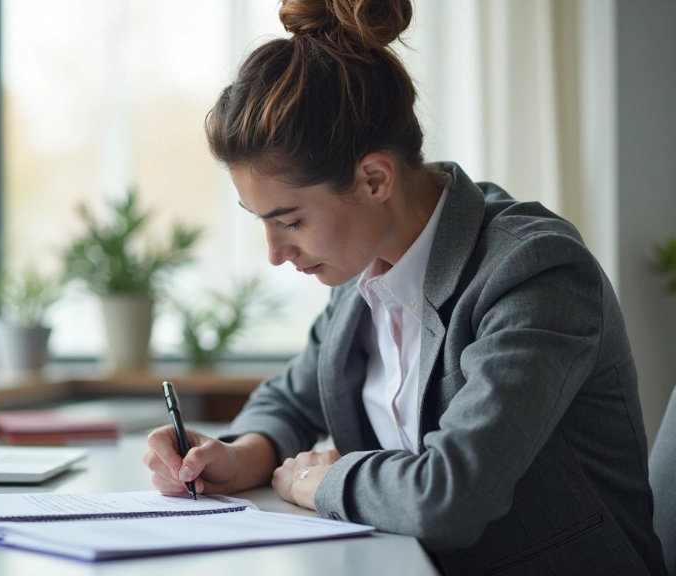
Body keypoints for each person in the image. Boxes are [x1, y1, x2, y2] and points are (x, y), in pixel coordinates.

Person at [142, 0, 668, 574]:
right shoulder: (364, 265)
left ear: (374, 179)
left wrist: (321, 481)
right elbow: (293, 397)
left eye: (290, 221)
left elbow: (452, 495)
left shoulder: (535, 271)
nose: (275, 253)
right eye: (260, 220)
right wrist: (236, 457)